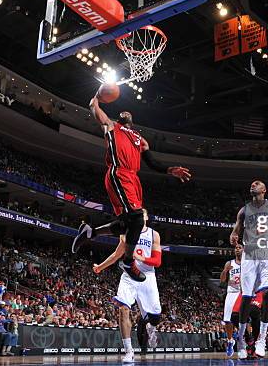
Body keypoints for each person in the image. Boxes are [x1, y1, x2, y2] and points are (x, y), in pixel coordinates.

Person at [88, 95, 190, 282]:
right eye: (122, 113)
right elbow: (93, 107)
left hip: (134, 178)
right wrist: (98, 95)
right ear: (120, 119)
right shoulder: (112, 126)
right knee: (137, 218)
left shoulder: (140, 139)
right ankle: (128, 262)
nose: (126, 112)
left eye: (129, 113)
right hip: (119, 172)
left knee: (128, 225)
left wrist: (169, 170)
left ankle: (91, 231)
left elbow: (152, 162)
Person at [93, 210, 162, 363]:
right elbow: (116, 255)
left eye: (142, 214)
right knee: (123, 309)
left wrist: (140, 257)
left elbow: (157, 261)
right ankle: (129, 351)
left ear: (146, 217)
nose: (139, 217)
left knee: (155, 316)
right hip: (129, 276)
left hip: (147, 277)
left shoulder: (154, 235)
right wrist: (100, 267)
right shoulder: (126, 234)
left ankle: (151, 327)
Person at [229, 180, 268, 358]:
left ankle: (261, 338)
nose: (253, 184)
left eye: (258, 183)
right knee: (247, 297)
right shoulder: (244, 210)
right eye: (252, 184)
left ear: (264, 190)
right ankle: (241, 340)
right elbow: (236, 229)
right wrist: (233, 234)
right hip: (250, 254)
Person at [221, 243, 242, 357]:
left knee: (244, 320)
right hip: (231, 292)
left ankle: (245, 342)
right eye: (236, 248)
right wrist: (225, 271)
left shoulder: (247, 263)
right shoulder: (229, 263)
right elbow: (223, 280)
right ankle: (230, 341)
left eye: (240, 248)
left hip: (243, 293)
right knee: (227, 320)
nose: (237, 249)